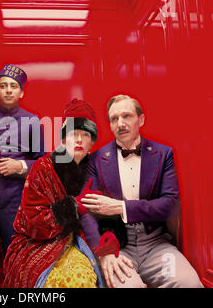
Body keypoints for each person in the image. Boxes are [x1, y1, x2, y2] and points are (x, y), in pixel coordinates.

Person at [81, 94, 203, 288]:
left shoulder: (163, 154)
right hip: (118, 248)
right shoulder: (95, 159)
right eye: (114, 119)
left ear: (141, 119)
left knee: (189, 283)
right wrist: (103, 253)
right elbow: (86, 211)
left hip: (157, 247)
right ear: (110, 125)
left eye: (127, 116)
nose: (120, 123)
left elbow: (171, 205)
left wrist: (121, 207)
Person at [3, 99, 120, 288]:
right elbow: (33, 222)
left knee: (82, 277)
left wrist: (111, 235)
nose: (80, 140)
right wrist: (72, 207)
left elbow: (111, 214)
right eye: (74, 133)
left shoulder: (100, 169)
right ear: (64, 138)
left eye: (86, 134)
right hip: (39, 243)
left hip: (82, 241)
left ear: (93, 141)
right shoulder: (43, 168)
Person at [0, 64, 45, 286]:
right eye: (3, 86)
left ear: (21, 92)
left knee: (16, 252)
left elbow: (43, 164)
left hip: (17, 198)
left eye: (13, 86)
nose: (8, 90)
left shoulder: (33, 121)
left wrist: (21, 166)